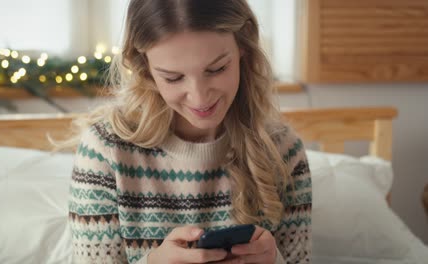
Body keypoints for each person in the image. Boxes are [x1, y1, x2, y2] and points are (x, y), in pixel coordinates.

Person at [66, 0, 312, 263]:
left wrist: (274, 260)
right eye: (173, 78)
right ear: (145, 68)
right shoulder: (104, 151)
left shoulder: (283, 151)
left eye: (217, 69)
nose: (199, 96)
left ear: (243, 48)